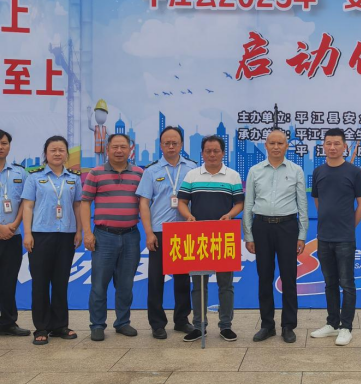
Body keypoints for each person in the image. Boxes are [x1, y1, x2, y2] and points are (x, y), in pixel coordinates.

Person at [244, 129, 309, 344]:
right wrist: (249, 235)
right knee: (264, 277)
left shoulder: (296, 170)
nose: (276, 147)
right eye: (272, 143)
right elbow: (248, 204)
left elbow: (302, 204)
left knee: (289, 278)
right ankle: (267, 325)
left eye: (280, 143)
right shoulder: (255, 171)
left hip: (287, 227)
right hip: (261, 227)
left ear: (286, 146)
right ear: (266, 145)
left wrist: (302, 235)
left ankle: (288, 325)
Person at [177, 135, 244, 343]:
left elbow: (239, 203)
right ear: (202, 153)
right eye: (208, 151)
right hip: (198, 236)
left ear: (223, 153)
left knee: (226, 284)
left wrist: (230, 215)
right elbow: (182, 202)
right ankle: (199, 326)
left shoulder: (232, 176)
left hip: (223, 236)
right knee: (198, 285)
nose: (212, 154)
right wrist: (188, 216)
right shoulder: (192, 175)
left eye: (216, 151)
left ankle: (226, 326)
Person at [82, 133, 144, 342]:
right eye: (115, 147)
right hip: (104, 236)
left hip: (131, 236)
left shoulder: (139, 173)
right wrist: (87, 233)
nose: (119, 151)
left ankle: (122, 322)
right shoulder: (96, 173)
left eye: (123, 147)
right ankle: (97, 324)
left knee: (126, 284)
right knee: (99, 284)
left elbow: (145, 204)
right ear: (107, 149)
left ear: (130, 150)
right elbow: (85, 203)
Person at [136, 126, 197, 340]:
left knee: (182, 280)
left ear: (181, 145)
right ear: (160, 145)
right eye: (167, 143)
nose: (171, 146)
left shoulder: (192, 168)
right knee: (156, 280)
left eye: (175, 143)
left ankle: (182, 320)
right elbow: (144, 203)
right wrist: (148, 233)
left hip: (184, 231)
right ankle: (157, 323)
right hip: (160, 232)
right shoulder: (151, 171)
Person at [22, 136, 82, 346]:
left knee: (60, 282)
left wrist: (79, 231)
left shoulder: (74, 178)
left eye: (61, 150)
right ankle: (41, 327)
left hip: (66, 235)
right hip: (40, 235)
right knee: (40, 283)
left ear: (66, 154)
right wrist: (27, 233)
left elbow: (77, 206)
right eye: (53, 150)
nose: (57, 153)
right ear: (45, 153)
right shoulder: (34, 178)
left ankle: (60, 325)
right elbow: (28, 206)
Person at [310, 128, 361, 347]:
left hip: (345, 238)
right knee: (330, 283)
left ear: (345, 147)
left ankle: (346, 327)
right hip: (324, 237)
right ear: (323, 146)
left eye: (337, 143)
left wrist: (349, 226)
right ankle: (332, 323)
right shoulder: (318, 171)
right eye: (328, 143)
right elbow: (318, 201)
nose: (332, 147)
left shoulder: (354, 172)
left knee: (347, 283)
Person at [0, 130, 30, 338]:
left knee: (9, 280)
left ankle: (8, 322)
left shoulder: (20, 173)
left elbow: (26, 202)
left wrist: (14, 225)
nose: (0, 147)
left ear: (9, 146)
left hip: (13, 235)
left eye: (4, 143)